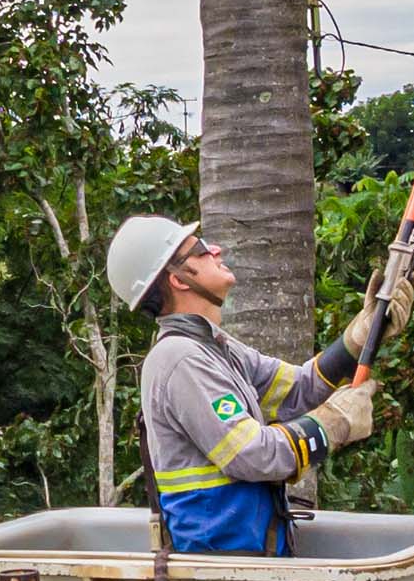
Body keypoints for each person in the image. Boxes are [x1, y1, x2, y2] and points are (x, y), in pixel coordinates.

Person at [105, 214, 386, 555]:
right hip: (221, 567)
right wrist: (333, 424)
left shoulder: (214, 347)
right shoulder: (180, 359)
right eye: (201, 249)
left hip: (248, 559)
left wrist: (362, 334)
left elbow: (299, 389)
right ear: (178, 279)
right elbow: (252, 455)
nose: (216, 250)